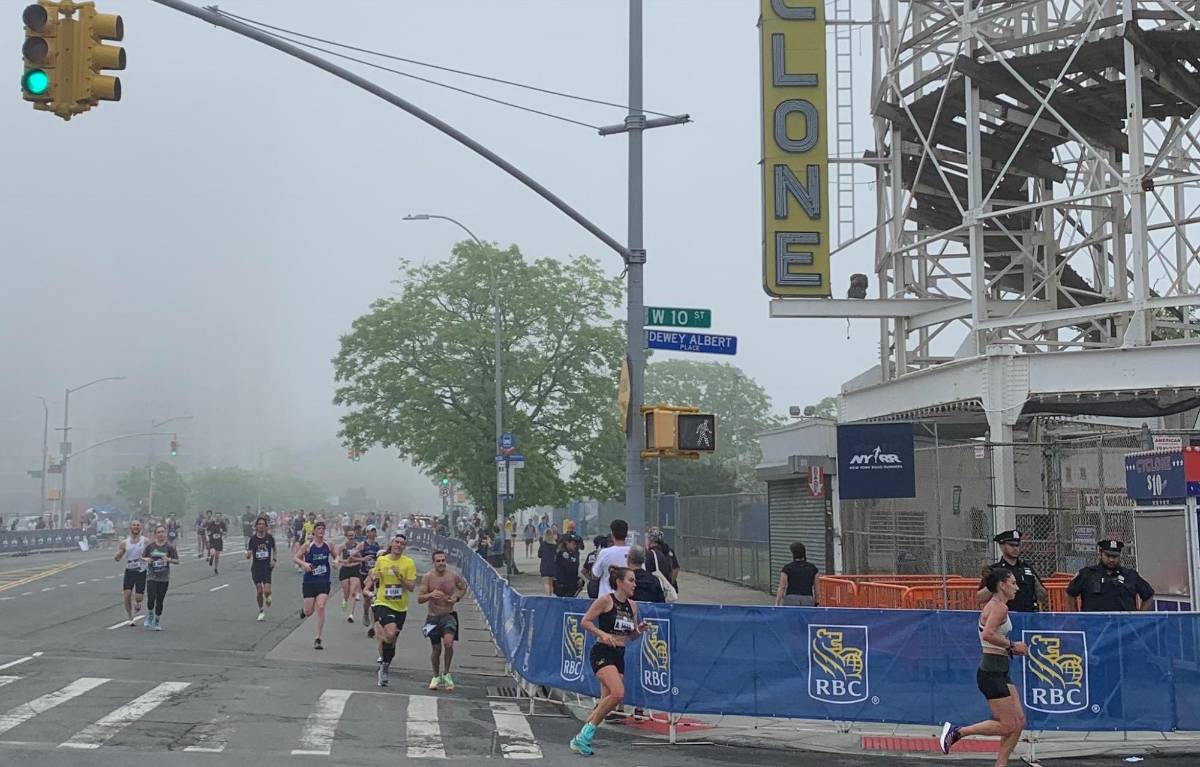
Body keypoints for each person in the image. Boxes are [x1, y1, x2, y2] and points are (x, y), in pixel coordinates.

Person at [939, 569, 1029, 766]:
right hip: (991, 673)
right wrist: (1014, 646)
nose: (1017, 587)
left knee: (1019, 721)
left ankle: (1001, 764)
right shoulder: (999, 608)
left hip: (1001, 670)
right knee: (1007, 725)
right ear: (1002, 585)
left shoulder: (998, 606)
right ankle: (958, 732)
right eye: (1013, 583)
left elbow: (991, 636)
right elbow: (988, 635)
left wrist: (1011, 649)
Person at [569, 567, 650, 756]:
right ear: (620, 582)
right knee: (618, 693)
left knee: (605, 703)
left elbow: (631, 636)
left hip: (619, 655)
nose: (634, 584)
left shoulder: (632, 605)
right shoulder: (606, 601)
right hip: (602, 652)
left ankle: (581, 737)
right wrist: (602, 634)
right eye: (631, 580)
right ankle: (583, 737)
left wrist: (639, 629)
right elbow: (585, 621)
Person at [363, 533, 417, 687]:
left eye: (402, 543)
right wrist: (375, 577)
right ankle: (380, 635)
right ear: (391, 544)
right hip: (383, 602)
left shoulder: (408, 563)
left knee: (392, 641)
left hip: (400, 606)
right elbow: (373, 577)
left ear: (404, 547)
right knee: (390, 633)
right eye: (396, 542)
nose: (399, 545)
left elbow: (412, 587)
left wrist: (400, 577)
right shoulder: (382, 560)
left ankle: (385, 667)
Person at [418, 549, 469, 691]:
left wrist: (457, 597)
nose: (441, 563)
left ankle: (446, 673)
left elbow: (463, 587)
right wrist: (430, 595)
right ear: (433, 562)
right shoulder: (428, 577)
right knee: (436, 649)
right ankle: (435, 675)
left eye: (443, 560)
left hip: (449, 615)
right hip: (433, 617)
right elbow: (419, 599)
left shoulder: (453, 576)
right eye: (438, 561)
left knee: (448, 643)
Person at [1066, 539, 1155, 612]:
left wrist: (1139, 617)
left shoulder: (1130, 575)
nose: (1111, 559)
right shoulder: (1087, 574)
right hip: (1094, 627)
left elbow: (1149, 595)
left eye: (1115, 556)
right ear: (1100, 554)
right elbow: (1070, 593)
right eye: (1107, 555)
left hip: (1124, 628)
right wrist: (1076, 618)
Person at [976, 530, 1046, 612]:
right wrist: (995, 582)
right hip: (1005, 616)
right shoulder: (995, 570)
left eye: (1018, 545)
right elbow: (980, 598)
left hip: (1028, 616)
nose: (1016, 548)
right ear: (1001, 546)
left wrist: (1034, 581)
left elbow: (1043, 596)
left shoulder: (1027, 568)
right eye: (1011, 545)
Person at [294, 520, 334, 650]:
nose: (321, 531)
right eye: (319, 529)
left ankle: (318, 638)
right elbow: (296, 557)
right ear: (315, 531)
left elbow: (336, 556)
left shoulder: (328, 545)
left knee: (321, 607)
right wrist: (304, 564)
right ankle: (303, 611)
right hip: (310, 582)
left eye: (323, 528)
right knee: (309, 611)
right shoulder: (308, 546)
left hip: (323, 581)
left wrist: (337, 561)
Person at [142, 524, 180, 631]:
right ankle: (150, 615)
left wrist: (169, 560)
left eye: (162, 532)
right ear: (155, 535)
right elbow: (143, 556)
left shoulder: (169, 547)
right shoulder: (151, 546)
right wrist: (146, 559)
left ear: (165, 534)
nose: (161, 534)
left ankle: (157, 621)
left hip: (164, 578)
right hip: (152, 577)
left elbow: (177, 560)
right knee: (151, 599)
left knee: (160, 600)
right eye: (158, 532)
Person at [114, 520, 149, 626]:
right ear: (130, 527)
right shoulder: (124, 542)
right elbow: (117, 557)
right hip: (129, 569)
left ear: (140, 527)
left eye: (138, 525)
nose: (136, 527)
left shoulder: (145, 541)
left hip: (141, 570)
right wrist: (118, 555)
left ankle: (138, 603)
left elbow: (151, 553)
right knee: (127, 594)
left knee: (139, 597)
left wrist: (147, 559)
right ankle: (130, 617)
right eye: (134, 525)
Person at [245, 516, 277, 621]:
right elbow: (249, 552)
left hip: (267, 567)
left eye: (263, 524)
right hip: (256, 568)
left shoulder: (269, 538)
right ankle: (261, 610)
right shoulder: (253, 539)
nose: (261, 526)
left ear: (266, 526)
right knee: (259, 591)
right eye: (259, 524)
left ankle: (268, 597)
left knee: (267, 591)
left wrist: (274, 559)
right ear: (256, 526)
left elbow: (274, 549)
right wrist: (248, 554)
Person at [591, 520, 632, 597]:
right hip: (627, 598)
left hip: (606, 598)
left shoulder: (605, 553)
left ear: (612, 534)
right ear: (626, 534)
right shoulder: (633, 552)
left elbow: (595, 575)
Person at [775, 542, 819, 607]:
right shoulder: (813, 568)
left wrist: (777, 603)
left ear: (793, 554)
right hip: (808, 598)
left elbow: (782, 587)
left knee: (791, 617)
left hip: (791, 598)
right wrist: (817, 602)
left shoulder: (787, 568)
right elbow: (816, 588)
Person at [357, 524, 383, 631]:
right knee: (367, 599)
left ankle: (373, 626)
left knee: (375, 600)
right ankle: (365, 613)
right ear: (367, 533)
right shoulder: (362, 545)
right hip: (364, 574)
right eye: (370, 531)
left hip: (374, 575)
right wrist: (363, 559)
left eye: (374, 531)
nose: (372, 533)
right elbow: (352, 556)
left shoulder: (378, 546)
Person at [337, 527, 362, 623]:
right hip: (345, 569)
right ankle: (345, 599)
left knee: (353, 592)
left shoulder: (358, 546)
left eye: (353, 535)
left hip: (355, 569)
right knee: (346, 592)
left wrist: (356, 560)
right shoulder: (342, 547)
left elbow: (361, 558)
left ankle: (351, 614)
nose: (351, 537)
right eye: (349, 536)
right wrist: (342, 561)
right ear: (346, 536)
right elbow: (337, 558)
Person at [645, 527, 680, 593]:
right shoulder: (669, 551)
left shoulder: (651, 554)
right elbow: (675, 569)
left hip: (656, 587)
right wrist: (669, 583)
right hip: (668, 587)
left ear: (651, 540)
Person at [538, 528, 560, 595]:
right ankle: (551, 596)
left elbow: (539, 555)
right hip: (553, 565)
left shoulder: (543, 544)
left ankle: (548, 596)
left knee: (546, 583)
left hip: (545, 565)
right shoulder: (555, 545)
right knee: (551, 583)